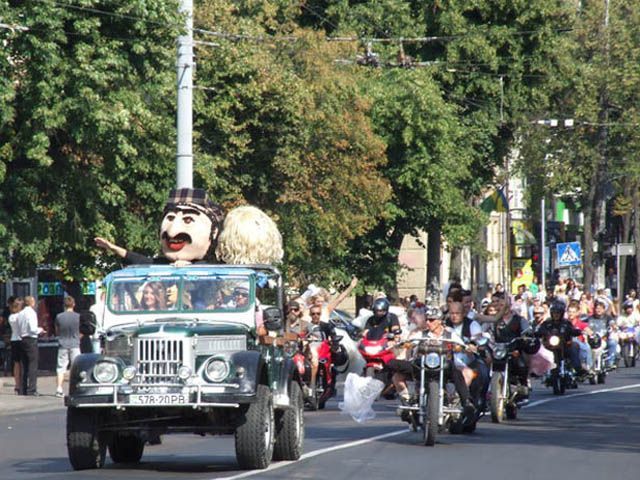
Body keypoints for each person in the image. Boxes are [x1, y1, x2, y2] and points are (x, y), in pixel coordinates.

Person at [535, 301, 584, 375]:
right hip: (550, 346)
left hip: (564, 346)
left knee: (574, 345)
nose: (556, 315)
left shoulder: (566, 323)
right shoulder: (547, 323)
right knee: (537, 348)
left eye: (558, 313)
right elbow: (540, 330)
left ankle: (577, 367)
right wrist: (538, 333)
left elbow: (572, 330)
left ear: (562, 314)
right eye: (554, 313)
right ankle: (537, 369)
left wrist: (577, 331)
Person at [55, 296, 81, 398]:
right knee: (76, 367)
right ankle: (76, 388)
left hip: (63, 344)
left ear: (64, 305)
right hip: (75, 344)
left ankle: (59, 388)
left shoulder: (59, 317)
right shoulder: (78, 317)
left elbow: (57, 331)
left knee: (61, 367)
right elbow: (81, 330)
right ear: (73, 304)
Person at [18, 296, 41, 396]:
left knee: (24, 364)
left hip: (22, 339)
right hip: (31, 339)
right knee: (32, 364)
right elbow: (32, 328)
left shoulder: (21, 313)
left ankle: (22, 388)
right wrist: (40, 330)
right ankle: (32, 389)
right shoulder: (31, 313)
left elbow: (19, 328)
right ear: (31, 302)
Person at [585, 298, 618, 368]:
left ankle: (610, 363)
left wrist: (614, 326)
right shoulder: (589, 318)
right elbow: (583, 324)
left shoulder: (608, 317)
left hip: (604, 338)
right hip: (592, 340)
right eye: (597, 308)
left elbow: (612, 323)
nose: (598, 310)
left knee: (613, 343)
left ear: (604, 309)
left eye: (600, 308)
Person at [7, 297, 24, 394]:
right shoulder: (20, 316)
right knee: (23, 363)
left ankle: (17, 384)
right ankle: (22, 383)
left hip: (14, 339)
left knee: (16, 363)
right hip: (21, 339)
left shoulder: (11, 317)